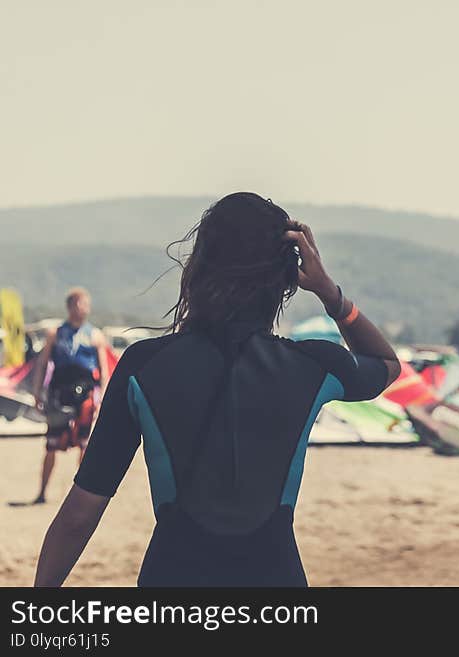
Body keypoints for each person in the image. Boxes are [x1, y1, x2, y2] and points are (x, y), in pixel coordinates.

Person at [34, 192, 401, 587]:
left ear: (197, 267)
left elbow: (80, 512)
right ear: (285, 280)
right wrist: (331, 295)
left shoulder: (145, 366)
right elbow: (387, 366)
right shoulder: (312, 365)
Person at [30, 288, 109, 504]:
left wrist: (102, 398)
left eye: (85, 304)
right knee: (51, 444)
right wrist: (38, 391)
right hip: (59, 393)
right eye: (79, 303)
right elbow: (43, 363)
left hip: (84, 395)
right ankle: (42, 491)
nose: (83, 308)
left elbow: (104, 370)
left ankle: (81, 497)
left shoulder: (95, 335)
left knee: (84, 445)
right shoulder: (56, 333)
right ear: (70, 306)